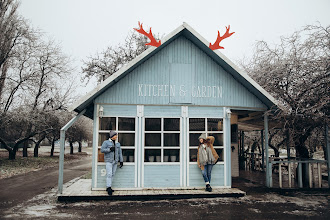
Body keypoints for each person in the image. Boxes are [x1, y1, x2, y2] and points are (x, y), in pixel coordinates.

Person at [100, 130, 123, 195]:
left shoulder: (117, 144)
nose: (116, 136)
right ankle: (108, 187)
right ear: (112, 136)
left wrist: (121, 161)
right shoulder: (106, 142)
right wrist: (109, 150)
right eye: (115, 135)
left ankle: (109, 186)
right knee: (109, 174)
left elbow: (119, 153)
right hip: (109, 161)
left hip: (115, 161)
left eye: (116, 135)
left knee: (112, 174)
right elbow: (102, 150)